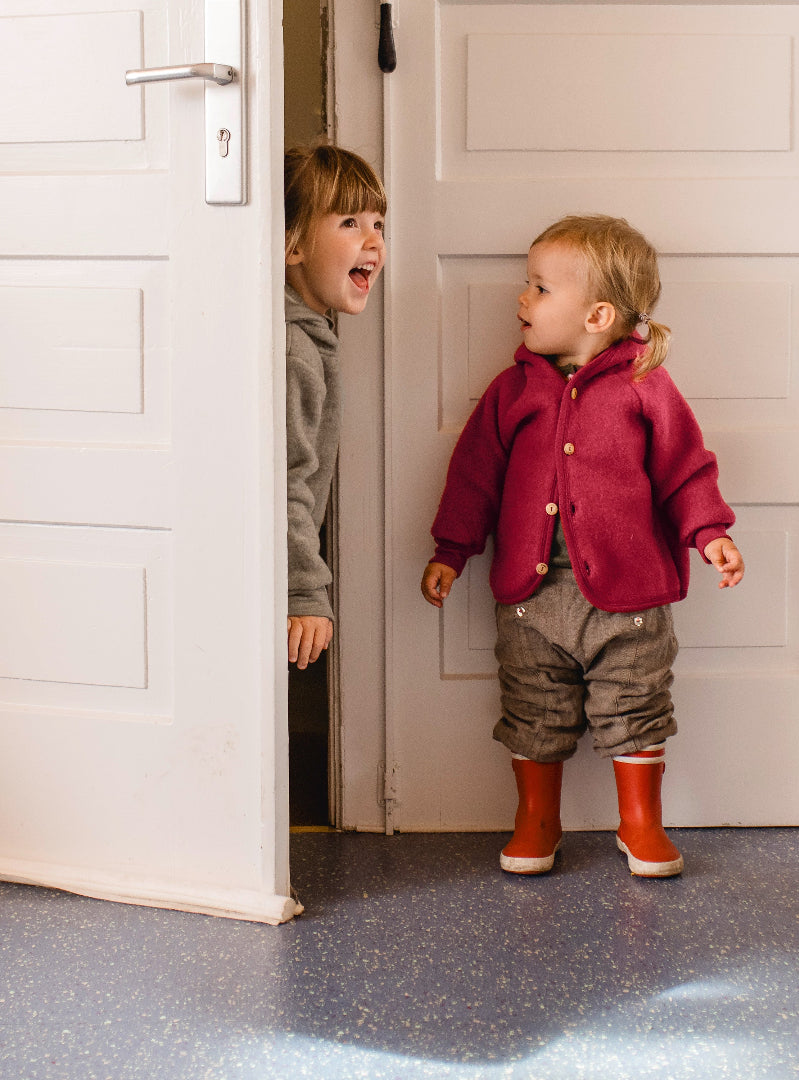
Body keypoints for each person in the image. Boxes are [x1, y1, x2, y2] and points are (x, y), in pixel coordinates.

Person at [420, 214, 744, 878]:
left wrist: (709, 533)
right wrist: (451, 550)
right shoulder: (513, 393)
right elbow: (474, 476)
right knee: (532, 706)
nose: (521, 300)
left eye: (539, 288)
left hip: (629, 597)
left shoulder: (644, 388)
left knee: (636, 703)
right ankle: (536, 819)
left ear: (597, 314)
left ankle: (640, 822)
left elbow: (684, 469)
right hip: (530, 598)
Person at [285, 145, 387, 670]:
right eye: (350, 221)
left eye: (377, 223)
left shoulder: (308, 334)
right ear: (291, 245)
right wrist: (303, 591)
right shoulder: (292, 350)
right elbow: (285, 481)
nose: (373, 240)